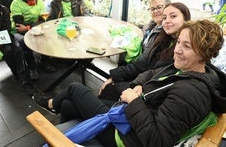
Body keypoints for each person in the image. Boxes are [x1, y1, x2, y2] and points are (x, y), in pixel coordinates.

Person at [33, 19, 226, 147]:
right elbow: (151, 71)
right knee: (68, 104)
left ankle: (55, 114)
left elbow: (157, 141)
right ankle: (74, 133)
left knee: (75, 89)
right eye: (179, 43)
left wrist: (134, 101)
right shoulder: (187, 70)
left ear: (204, 54)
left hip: (125, 137)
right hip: (130, 117)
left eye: (187, 46)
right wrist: (140, 84)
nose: (177, 50)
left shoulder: (191, 93)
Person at [98, 2, 191, 105]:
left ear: (186, 19)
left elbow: (161, 76)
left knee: (106, 93)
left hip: (151, 94)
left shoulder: (185, 51)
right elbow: (142, 63)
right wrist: (114, 76)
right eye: (164, 18)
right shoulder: (160, 39)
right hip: (143, 80)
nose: (167, 21)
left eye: (173, 16)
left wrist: (141, 84)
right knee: (107, 90)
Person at [10, 0, 56, 81]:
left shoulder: (40, 2)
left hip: (33, 28)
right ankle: (32, 68)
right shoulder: (16, 3)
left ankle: (44, 62)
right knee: (25, 41)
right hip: (16, 32)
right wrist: (30, 27)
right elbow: (19, 25)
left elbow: (42, 20)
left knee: (48, 36)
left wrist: (29, 27)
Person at [118, 0, 171, 66]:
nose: (155, 11)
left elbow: (144, 63)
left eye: (159, 7)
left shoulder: (165, 34)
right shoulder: (152, 24)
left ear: (168, 8)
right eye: (152, 9)